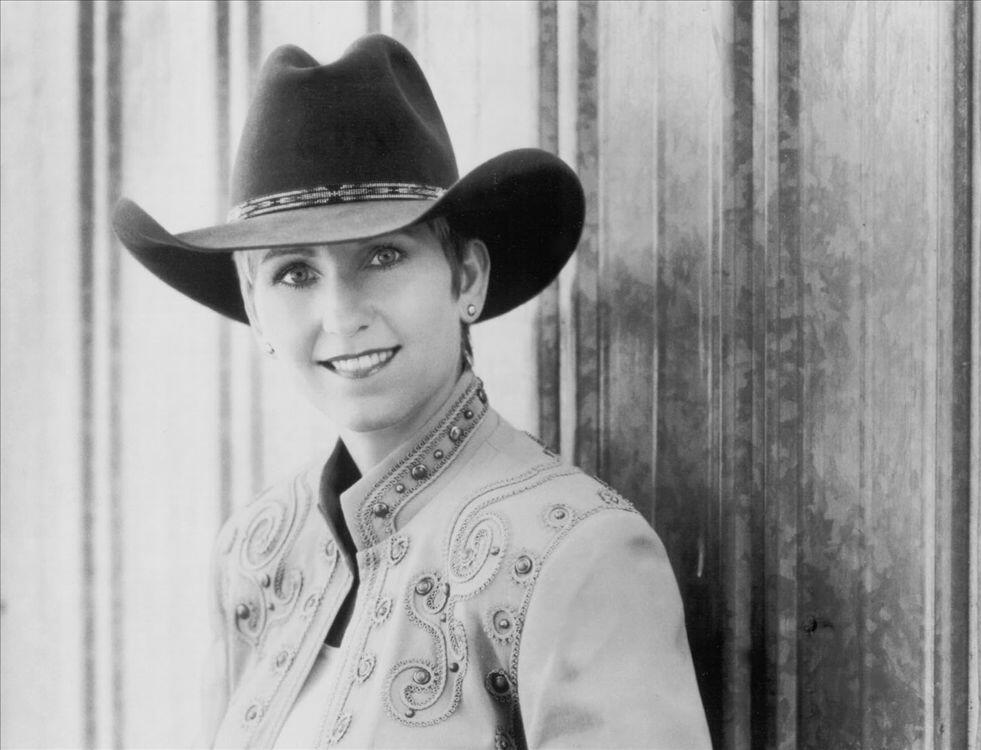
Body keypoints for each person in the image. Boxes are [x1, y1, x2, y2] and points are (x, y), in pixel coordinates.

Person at [113, 34, 710, 749]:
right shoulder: (258, 551)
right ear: (254, 305)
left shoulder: (579, 552)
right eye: (295, 273)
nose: (341, 316)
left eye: (384, 255)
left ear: (466, 278)